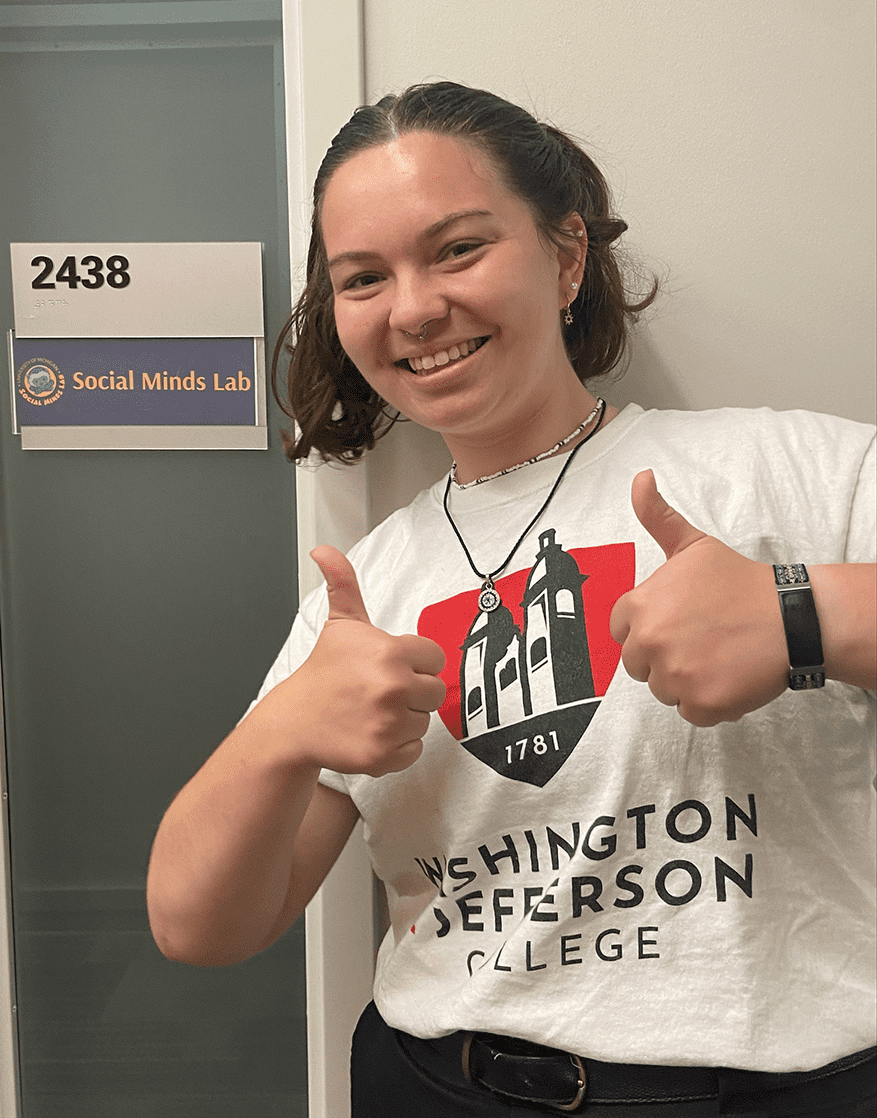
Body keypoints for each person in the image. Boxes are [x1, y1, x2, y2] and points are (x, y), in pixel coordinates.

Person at [147, 82, 876, 1116]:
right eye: (363, 276)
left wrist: (808, 614)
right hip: (436, 1083)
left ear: (566, 255)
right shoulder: (366, 589)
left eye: (455, 249)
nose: (412, 306)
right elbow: (198, 927)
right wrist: (280, 733)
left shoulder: (786, 468)